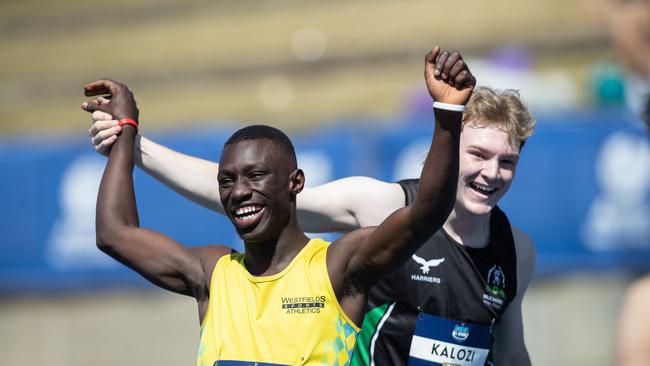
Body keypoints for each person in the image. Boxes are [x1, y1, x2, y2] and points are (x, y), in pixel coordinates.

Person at [82, 46, 475, 365]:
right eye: (227, 180)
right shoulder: (213, 274)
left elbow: (426, 213)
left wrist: (449, 114)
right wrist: (126, 132)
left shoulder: (338, 267)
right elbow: (115, 234)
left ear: (295, 183)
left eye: (255, 176)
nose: (238, 192)